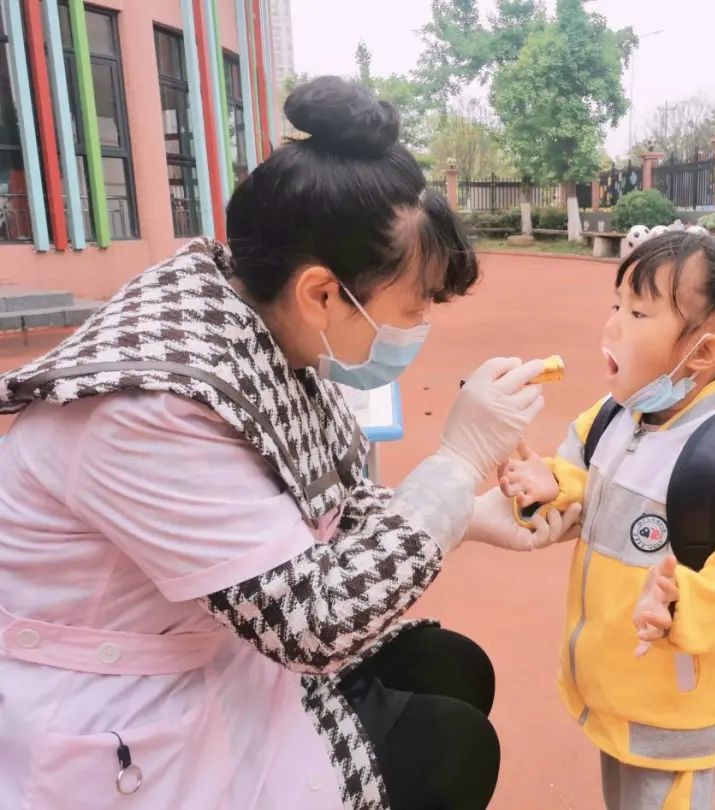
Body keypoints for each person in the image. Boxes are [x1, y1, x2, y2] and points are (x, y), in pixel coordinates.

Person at [0, 77, 580, 810]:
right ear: (322, 293)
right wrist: (459, 463)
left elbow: (332, 504)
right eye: (413, 307)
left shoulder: (258, 325)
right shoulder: (152, 411)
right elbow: (315, 622)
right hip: (121, 699)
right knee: (452, 747)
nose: (419, 327)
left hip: (218, 640)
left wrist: (468, 515)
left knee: (451, 666)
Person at [498, 232, 715, 809]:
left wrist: (682, 605)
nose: (613, 324)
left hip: (674, 714)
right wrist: (550, 486)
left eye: (638, 313)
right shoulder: (610, 417)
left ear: (703, 353)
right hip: (614, 692)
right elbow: (583, 482)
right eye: (616, 304)